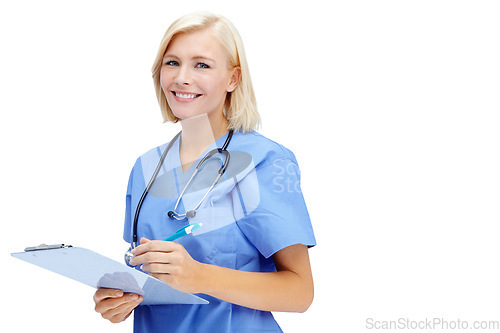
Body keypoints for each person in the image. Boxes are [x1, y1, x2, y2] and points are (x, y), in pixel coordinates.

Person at [93, 11, 316, 333]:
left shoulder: (266, 160)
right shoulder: (145, 167)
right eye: (172, 63)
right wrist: (119, 301)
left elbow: (300, 293)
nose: (182, 77)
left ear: (233, 78)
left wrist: (199, 276)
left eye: (202, 65)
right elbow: (145, 271)